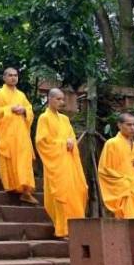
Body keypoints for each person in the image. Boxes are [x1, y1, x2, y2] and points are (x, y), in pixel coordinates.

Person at [35, 88, 88, 237]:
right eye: (58, 99)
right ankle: (63, 229)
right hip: (56, 164)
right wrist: (62, 143)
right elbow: (41, 142)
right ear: (49, 99)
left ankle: (77, 228)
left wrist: (71, 142)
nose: (61, 102)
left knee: (79, 190)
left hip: (69, 163)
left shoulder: (65, 119)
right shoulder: (44, 118)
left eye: (62, 99)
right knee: (61, 194)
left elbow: (71, 137)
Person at [0, 68, 37, 204]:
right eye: (10, 75)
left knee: (24, 161)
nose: (13, 78)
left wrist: (24, 111)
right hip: (7, 134)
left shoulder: (21, 95)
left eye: (15, 75)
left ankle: (26, 190)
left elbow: (30, 110)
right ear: (4, 78)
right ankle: (12, 186)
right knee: (10, 160)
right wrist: (9, 109)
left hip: (21, 135)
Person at [97, 112, 134, 218]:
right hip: (123, 189)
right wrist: (123, 181)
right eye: (129, 125)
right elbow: (104, 169)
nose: (132, 128)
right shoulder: (112, 144)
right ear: (119, 125)